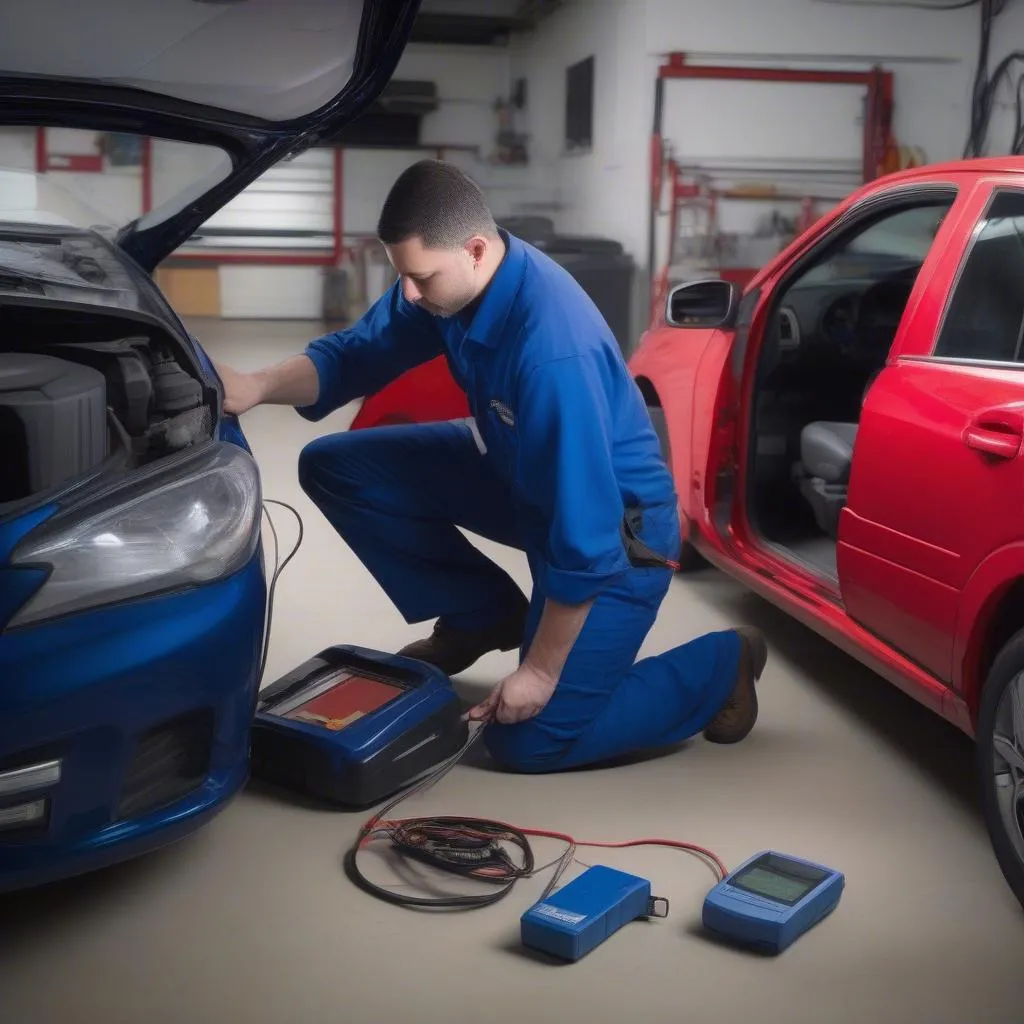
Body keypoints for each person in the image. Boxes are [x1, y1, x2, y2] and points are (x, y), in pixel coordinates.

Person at [216, 159, 767, 774]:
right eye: (404, 276)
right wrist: (255, 386)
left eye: (420, 277)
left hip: (617, 533)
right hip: (521, 473)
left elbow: (583, 537)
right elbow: (354, 355)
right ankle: (483, 615)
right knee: (336, 465)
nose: (409, 294)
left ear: (476, 249)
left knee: (531, 740)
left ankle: (721, 665)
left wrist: (538, 671)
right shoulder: (453, 283)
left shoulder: (552, 351)